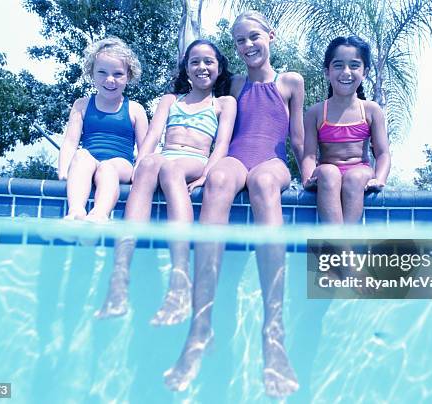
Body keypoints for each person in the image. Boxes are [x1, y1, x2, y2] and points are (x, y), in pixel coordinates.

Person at [163, 11, 304, 398]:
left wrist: (308, 173)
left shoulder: (291, 81)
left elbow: (297, 139)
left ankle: (272, 334)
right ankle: (200, 327)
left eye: (254, 37)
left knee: (262, 183)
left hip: (271, 163)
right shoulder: (235, 84)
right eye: (240, 41)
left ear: (270, 36)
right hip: (236, 157)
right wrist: (207, 168)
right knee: (221, 179)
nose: (248, 46)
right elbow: (216, 127)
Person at [95, 39, 236, 325]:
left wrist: (207, 174)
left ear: (219, 68)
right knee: (149, 164)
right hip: (166, 156)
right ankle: (119, 280)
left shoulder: (224, 103)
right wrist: (139, 164)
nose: (201, 67)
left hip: (194, 160)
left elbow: (221, 144)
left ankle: (179, 282)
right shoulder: (171, 100)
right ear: (185, 68)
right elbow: (153, 135)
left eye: (208, 61)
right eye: (194, 61)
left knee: (169, 169)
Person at [301, 36, 390, 224]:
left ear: (365, 72)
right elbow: (309, 155)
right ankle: (343, 248)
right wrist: (308, 178)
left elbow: (382, 153)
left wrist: (379, 179)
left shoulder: (371, 110)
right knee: (328, 172)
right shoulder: (316, 112)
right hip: (327, 175)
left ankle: (342, 245)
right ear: (327, 72)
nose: (346, 72)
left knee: (354, 176)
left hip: (360, 171)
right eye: (339, 65)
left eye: (354, 65)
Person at [58, 37, 148, 222]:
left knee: (108, 167)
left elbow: (145, 149)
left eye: (118, 74)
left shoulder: (135, 109)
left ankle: (100, 214)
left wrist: (139, 177)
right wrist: (63, 171)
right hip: (90, 160)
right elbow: (70, 142)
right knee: (81, 155)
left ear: (128, 76)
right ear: (91, 73)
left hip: (121, 163)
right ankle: (76, 211)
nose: (110, 80)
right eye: (102, 72)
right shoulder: (81, 105)